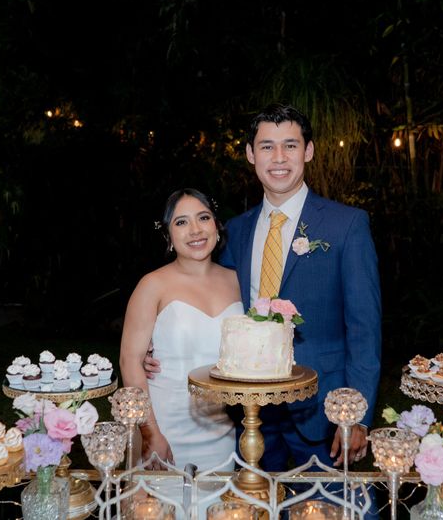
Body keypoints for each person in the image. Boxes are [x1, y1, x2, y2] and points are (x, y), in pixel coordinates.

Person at [146, 104, 382, 471]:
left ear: (308, 151)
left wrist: (357, 414)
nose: (279, 158)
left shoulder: (346, 225)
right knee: (252, 507)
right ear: (250, 154)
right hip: (248, 414)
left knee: (327, 508)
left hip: (323, 413)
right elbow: (210, 300)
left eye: (290, 145)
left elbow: (365, 329)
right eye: (267, 146)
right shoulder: (235, 231)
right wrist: (157, 343)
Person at [118, 188, 241, 472]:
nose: (195, 230)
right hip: (164, 425)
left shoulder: (238, 282)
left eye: (203, 217)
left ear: (217, 226)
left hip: (219, 430)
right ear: (168, 236)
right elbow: (130, 361)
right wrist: (150, 433)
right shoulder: (152, 285)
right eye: (181, 222)